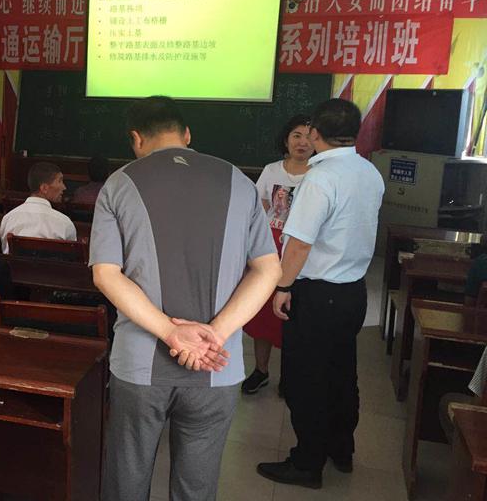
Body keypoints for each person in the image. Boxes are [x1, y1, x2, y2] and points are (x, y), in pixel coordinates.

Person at [91, 96, 281, 501]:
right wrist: (215, 334)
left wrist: (171, 333)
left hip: (140, 365)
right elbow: (268, 270)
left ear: (136, 138)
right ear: (187, 135)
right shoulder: (239, 182)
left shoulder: (119, 184)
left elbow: (106, 274)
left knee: (127, 478)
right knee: (197, 486)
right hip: (217, 363)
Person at [257, 99, 384, 489]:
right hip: (352, 292)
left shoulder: (320, 178)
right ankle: (341, 450)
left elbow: (298, 244)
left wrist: (282, 286)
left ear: (315, 134)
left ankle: (307, 462)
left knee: (305, 378)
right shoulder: (369, 172)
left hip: (317, 293)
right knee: (341, 373)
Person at [242, 115, 313, 395]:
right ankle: (261, 370)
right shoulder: (271, 171)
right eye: (296, 135)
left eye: (308, 136)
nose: (302, 142)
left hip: (300, 251)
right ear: (286, 140)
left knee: (292, 316)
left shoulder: (319, 175)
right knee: (263, 314)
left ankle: (290, 376)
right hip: (269, 249)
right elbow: (258, 208)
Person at [0, 161, 77, 254]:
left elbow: (5, 253)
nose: (64, 187)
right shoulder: (64, 223)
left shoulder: (8, 218)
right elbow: (72, 257)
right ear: (44, 188)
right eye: (60, 181)